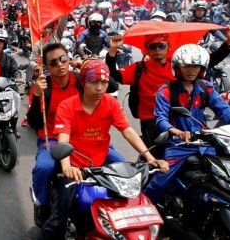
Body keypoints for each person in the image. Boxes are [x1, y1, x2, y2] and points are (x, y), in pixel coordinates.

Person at [38, 60, 169, 239]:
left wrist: (149, 157)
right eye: (94, 82)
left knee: (128, 201)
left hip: (101, 163)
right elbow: (63, 139)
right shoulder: (67, 106)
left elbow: (128, 131)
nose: (100, 88)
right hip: (75, 168)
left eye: (104, 82)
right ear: (83, 82)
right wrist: (67, 167)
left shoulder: (110, 103)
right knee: (57, 222)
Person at [28, 44, 123, 227]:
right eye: (53, 62)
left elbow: (111, 86)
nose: (60, 65)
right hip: (54, 138)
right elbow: (34, 123)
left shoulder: (81, 78)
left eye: (63, 59)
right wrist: (38, 94)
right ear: (46, 67)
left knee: (119, 161)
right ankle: (41, 203)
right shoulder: (43, 87)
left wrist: (90, 66)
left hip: (86, 136)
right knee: (44, 167)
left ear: (69, 59)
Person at [106, 29, 230, 157]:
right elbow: (113, 76)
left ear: (168, 47)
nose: (157, 50)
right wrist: (112, 52)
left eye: (161, 46)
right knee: (159, 160)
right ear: (147, 49)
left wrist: (227, 43)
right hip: (153, 118)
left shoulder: (182, 64)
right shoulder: (140, 69)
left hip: (183, 116)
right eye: (153, 47)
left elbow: (209, 61)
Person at [144, 44, 230, 204]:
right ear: (178, 67)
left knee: (222, 176)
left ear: (202, 68)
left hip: (204, 142)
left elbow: (224, 111)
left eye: (196, 66)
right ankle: (147, 208)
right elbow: (160, 119)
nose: (191, 70)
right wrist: (176, 132)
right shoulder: (166, 91)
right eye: (187, 66)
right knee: (159, 181)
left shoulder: (206, 88)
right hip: (177, 145)